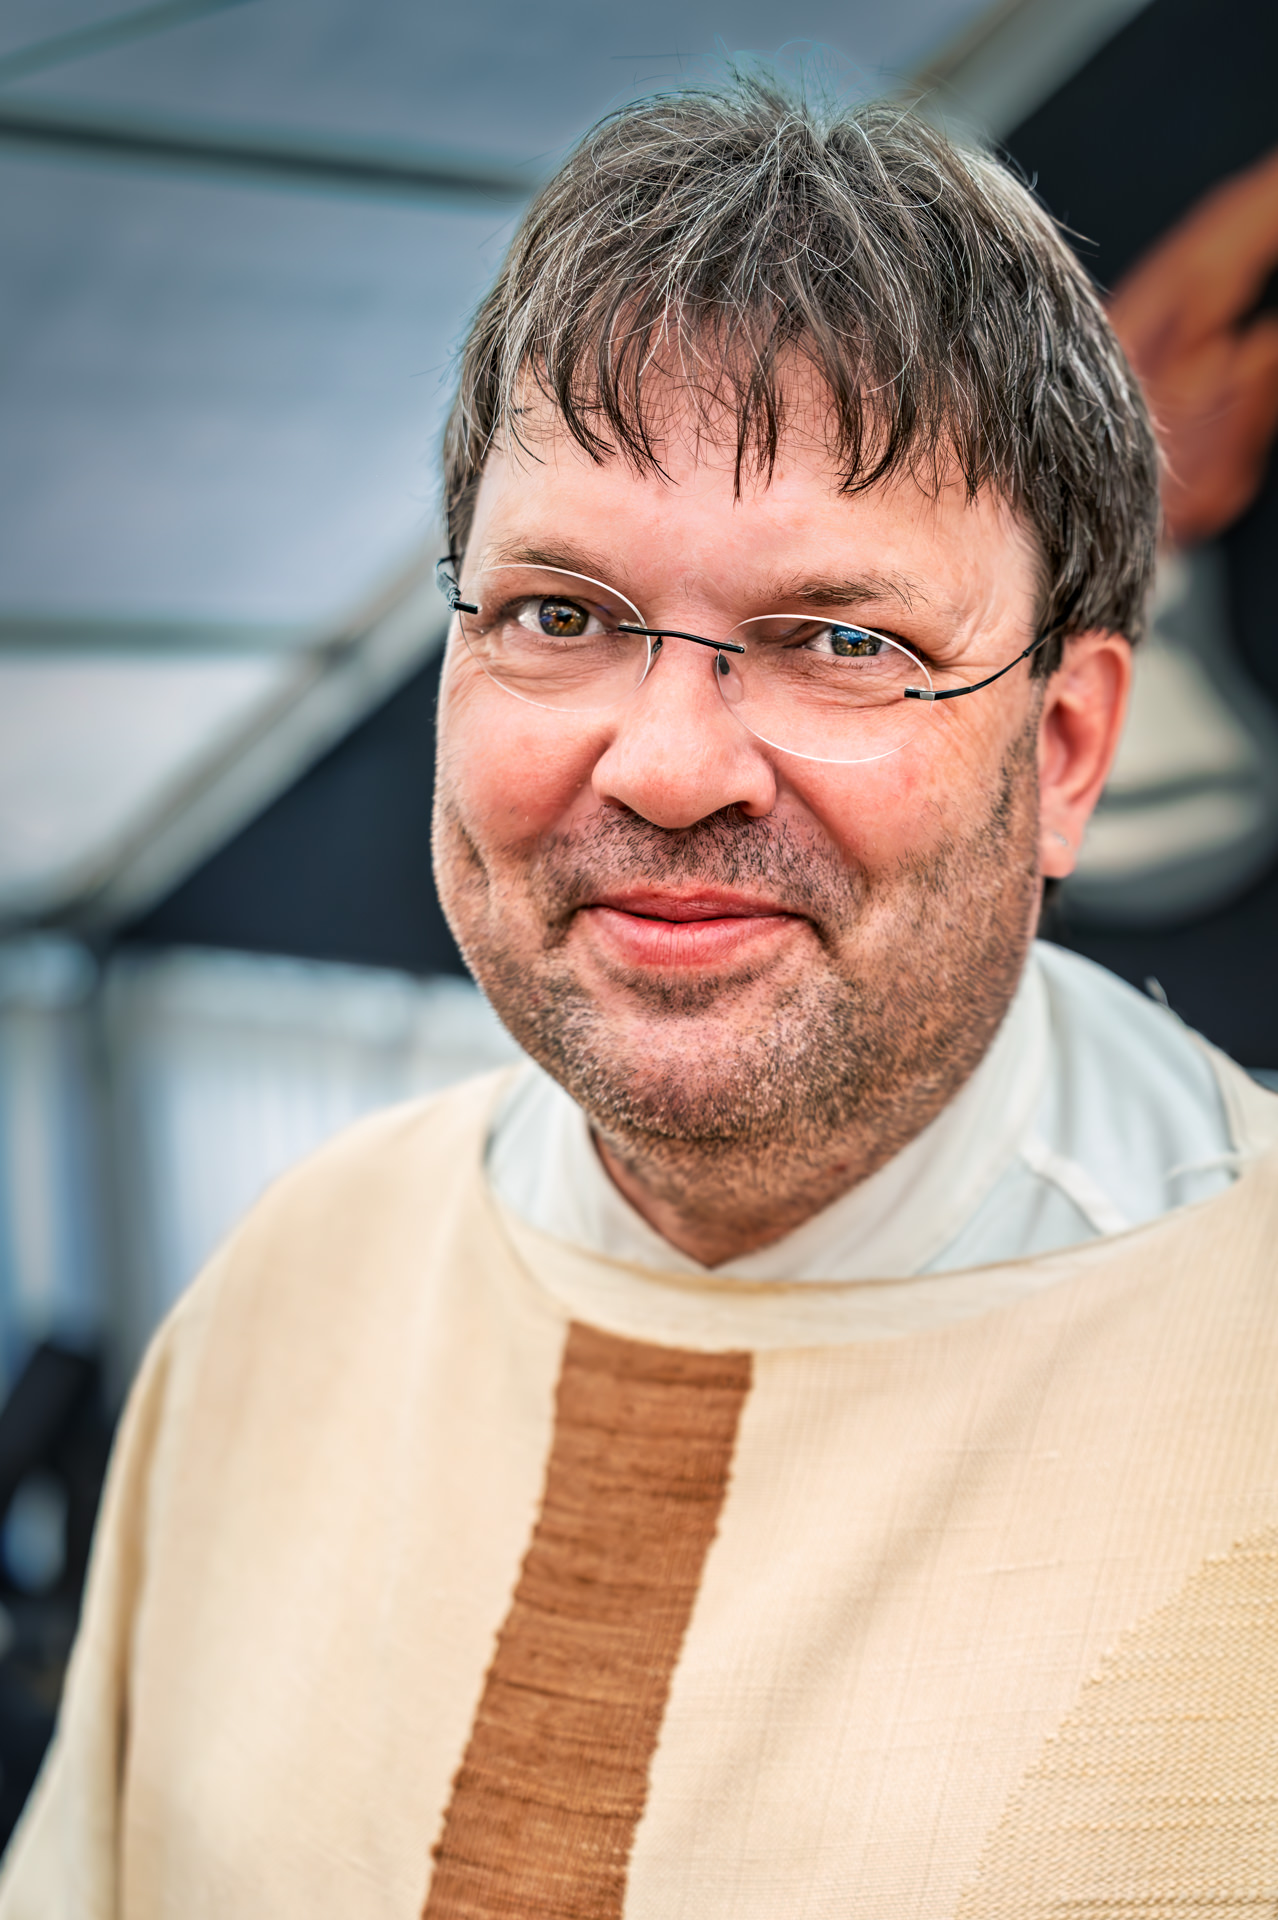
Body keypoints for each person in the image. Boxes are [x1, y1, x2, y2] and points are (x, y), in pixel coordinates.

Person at [5, 78, 1278, 1919]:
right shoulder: (287, 1288)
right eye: (560, 613)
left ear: (1065, 749)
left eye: (840, 638)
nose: (669, 768)